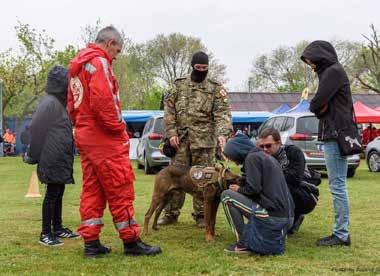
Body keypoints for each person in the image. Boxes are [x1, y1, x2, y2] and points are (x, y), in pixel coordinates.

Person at [68, 26, 161, 257]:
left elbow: (71, 103)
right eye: (117, 50)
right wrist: (119, 129)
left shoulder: (77, 66)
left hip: (85, 133)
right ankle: (131, 241)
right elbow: (105, 102)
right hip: (104, 138)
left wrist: (81, 125)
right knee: (120, 186)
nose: (116, 56)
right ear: (109, 43)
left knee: (93, 189)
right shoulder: (99, 63)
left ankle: (91, 242)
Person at [160, 51, 233, 227]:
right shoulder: (178, 86)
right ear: (192, 66)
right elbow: (169, 111)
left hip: (205, 143)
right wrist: (171, 133)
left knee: (204, 179)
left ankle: (201, 215)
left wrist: (222, 134)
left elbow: (223, 114)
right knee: (176, 179)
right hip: (181, 142)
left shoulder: (215, 89)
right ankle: (170, 213)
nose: (201, 71)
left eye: (204, 68)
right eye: (198, 68)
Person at [301, 40, 352, 246]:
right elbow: (320, 105)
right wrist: (319, 106)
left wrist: (318, 106)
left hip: (336, 134)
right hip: (335, 133)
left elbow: (316, 103)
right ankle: (341, 232)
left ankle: (341, 234)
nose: (311, 65)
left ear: (320, 56)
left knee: (337, 185)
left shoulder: (332, 72)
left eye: (311, 61)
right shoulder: (333, 71)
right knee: (337, 184)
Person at [24, 65, 79, 246]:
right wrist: (33, 155)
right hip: (51, 157)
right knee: (52, 193)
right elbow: (36, 129)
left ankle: (58, 227)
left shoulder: (58, 104)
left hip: (60, 157)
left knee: (59, 191)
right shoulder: (49, 103)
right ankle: (46, 233)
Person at [221, 134, 294, 254]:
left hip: (273, 217)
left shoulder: (252, 159)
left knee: (227, 195)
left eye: (232, 157)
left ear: (238, 152)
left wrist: (238, 189)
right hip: (287, 218)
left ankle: (243, 243)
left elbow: (254, 190)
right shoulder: (265, 157)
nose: (233, 161)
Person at [257, 128, 317, 234]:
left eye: (268, 145)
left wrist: (269, 175)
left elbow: (295, 179)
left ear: (279, 143)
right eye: (262, 146)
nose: (265, 149)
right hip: (285, 194)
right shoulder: (262, 158)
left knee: (278, 186)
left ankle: (294, 216)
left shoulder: (293, 152)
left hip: (306, 195)